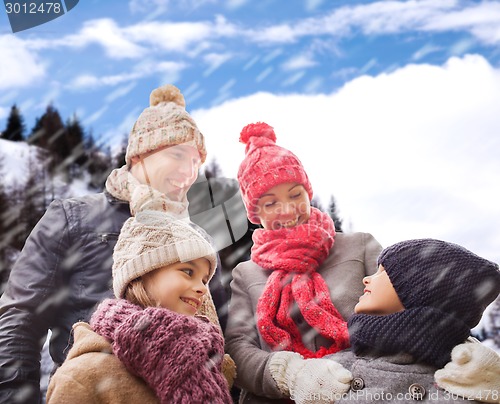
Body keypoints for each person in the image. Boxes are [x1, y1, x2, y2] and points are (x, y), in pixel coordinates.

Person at [0, 84, 228, 403]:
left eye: (195, 162)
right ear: (139, 154)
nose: (188, 172)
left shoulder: (198, 241)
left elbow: (222, 338)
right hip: (90, 391)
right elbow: (20, 318)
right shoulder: (73, 218)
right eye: (177, 155)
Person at [224, 122, 383, 403]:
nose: (286, 210)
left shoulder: (360, 246)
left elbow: (402, 310)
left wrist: (345, 370)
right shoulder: (246, 274)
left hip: (364, 393)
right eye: (270, 203)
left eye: (295, 195)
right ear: (254, 213)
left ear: (308, 193)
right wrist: (291, 375)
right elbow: (238, 349)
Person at [272, 238, 499, 404]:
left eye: (382, 272)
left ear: (419, 291)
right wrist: (295, 374)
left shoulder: (468, 384)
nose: (367, 279)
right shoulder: (333, 373)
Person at [46, 208, 234, 403]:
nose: (202, 289)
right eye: (188, 272)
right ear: (140, 275)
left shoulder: (205, 362)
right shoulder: (83, 375)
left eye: (204, 280)